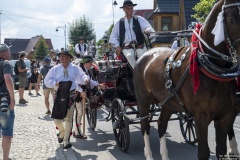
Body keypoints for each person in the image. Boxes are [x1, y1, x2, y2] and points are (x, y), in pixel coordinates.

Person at [44, 50, 89, 149]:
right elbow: (47, 80)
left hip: (71, 95)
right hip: (59, 94)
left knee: (69, 118)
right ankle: (62, 132)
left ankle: (66, 140)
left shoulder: (75, 68)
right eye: (60, 56)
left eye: (64, 56)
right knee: (57, 118)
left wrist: (85, 79)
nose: (62, 58)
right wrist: (54, 83)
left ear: (69, 58)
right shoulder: (55, 69)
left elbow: (82, 76)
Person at [109, 0, 155, 69]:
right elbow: (113, 37)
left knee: (145, 56)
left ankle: (145, 71)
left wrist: (147, 30)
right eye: (127, 8)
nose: (129, 10)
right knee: (129, 55)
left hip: (139, 45)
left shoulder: (139, 19)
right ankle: (137, 72)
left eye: (131, 8)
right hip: (127, 47)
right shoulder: (119, 23)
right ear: (124, 9)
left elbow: (149, 28)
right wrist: (117, 46)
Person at [73, 55, 106, 139]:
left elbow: (90, 81)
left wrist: (99, 85)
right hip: (77, 93)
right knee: (79, 112)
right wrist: (81, 91)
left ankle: (76, 130)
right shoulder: (79, 70)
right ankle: (77, 132)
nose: (92, 64)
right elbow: (74, 83)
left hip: (83, 92)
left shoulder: (88, 70)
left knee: (81, 112)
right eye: (90, 63)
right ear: (86, 63)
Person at [0, 44, 15, 160]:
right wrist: (13, 98)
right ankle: (5, 158)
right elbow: (8, 80)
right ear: (4, 53)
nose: (10, 54)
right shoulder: (6, 64)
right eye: (9, 51)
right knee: (6, 132)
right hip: (4, 103)